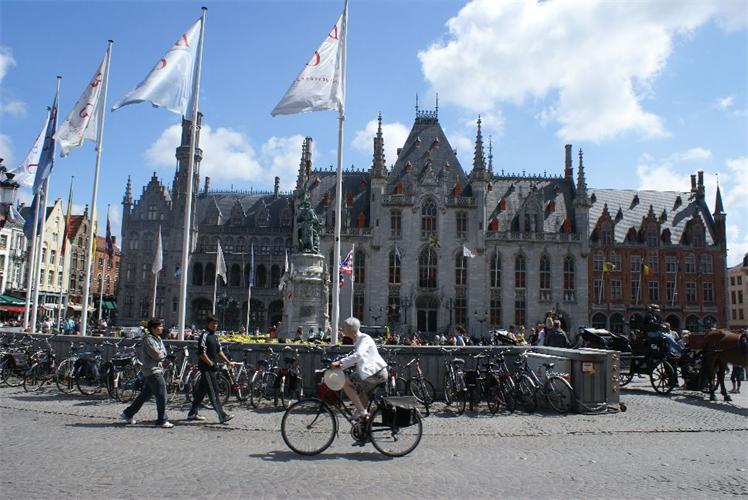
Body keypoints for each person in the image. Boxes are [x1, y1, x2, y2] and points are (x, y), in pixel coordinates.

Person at [120, 318, 173, 428]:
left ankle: (128, 413)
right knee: (162, 395)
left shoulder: (158, 338)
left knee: (144, 395)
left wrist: (163, 354)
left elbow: (163, 352)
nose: (162, 328)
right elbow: (157, 354)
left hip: (157, 369)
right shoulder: (148, 339)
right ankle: (162, 420)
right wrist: (164, 355)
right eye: (160, 326)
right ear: (153, 328)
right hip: (152, 370)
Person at [331, 317, 387, 420]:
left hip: (375, 373)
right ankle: (364, 423)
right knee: (362, 394)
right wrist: (341, 367)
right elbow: (357, 359)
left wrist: (340, 363)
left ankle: (362, 411)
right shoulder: (358, 340)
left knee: (346, 383)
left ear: (350, 329)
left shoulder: (364, 338)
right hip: (375, 373)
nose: (342, 329)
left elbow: (358, 355)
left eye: (344, 327)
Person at [187, 315, 234, 424]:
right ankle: (222, 415)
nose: (215, 325)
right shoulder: (204, 335)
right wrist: (211, 364)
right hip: (206, 368)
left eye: (216, 323)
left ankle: (192, 413)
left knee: (201, 392)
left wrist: (228, 361)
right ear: (208, 324)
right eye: (213, 323)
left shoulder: (215, 336)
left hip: (212, 367)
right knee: (214, 392)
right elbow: (201, 353)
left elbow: (219, 351)